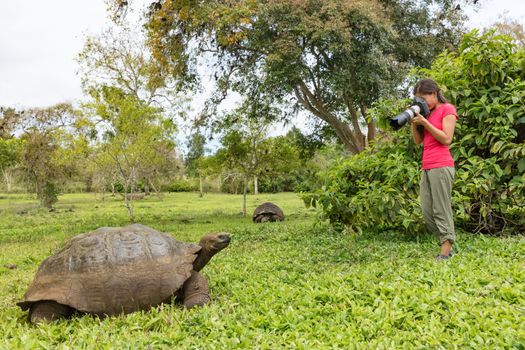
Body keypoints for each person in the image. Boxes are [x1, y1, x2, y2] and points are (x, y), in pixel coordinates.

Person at [410, 78, 458, 262]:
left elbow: (446, 139)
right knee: (428, 212)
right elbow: (417, 141)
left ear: (434, 93)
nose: (421, 102)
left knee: (441, 209)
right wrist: (415, 122)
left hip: (442, 165)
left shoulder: (447, 109)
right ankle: (446, 242)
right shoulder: (425, 113)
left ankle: (445, 251)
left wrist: (426, 123)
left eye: (423, 98)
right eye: (418, 99)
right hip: (427, 166)